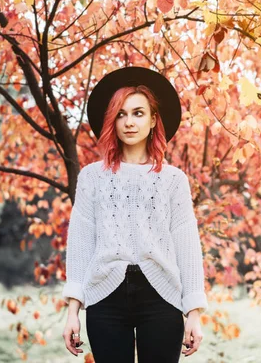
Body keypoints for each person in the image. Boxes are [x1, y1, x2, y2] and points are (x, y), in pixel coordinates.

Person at [61, 67, 208, 362]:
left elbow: (187, 246)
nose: (129, 122)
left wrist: (193, 313)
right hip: (105, 296)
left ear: (154, 119)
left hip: (162, 295)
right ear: (112, 121)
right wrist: (72, 311)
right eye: (121, 114)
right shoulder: (92, 177)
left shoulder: (173, 180)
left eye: (138, 113)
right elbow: (80, 245)